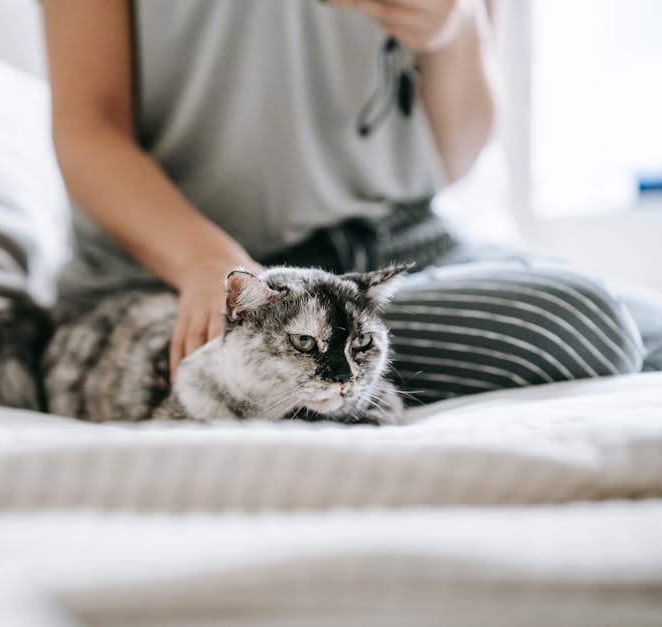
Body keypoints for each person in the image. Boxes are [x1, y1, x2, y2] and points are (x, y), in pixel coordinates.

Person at [41, 0, 645, 405]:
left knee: (649, 331)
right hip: (191, 278)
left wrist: (456, 29)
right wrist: (208, 263)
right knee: (584, 319)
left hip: (402, 242)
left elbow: (455, 160)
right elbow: (88, 127)